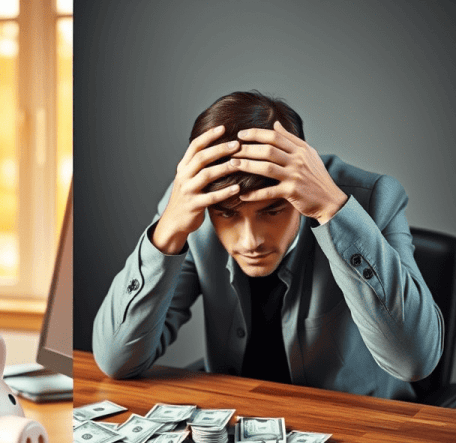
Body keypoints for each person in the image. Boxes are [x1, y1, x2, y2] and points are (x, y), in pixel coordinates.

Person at [92, 90, 443, 401]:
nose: (251, 241)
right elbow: (115, 360)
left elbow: (416, 360)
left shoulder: (376, 199)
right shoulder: (192, 206)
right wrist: (167, 230)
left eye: (272, 210)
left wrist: (332, 210)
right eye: (228, 215)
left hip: (361, 427)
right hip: (240, 424)